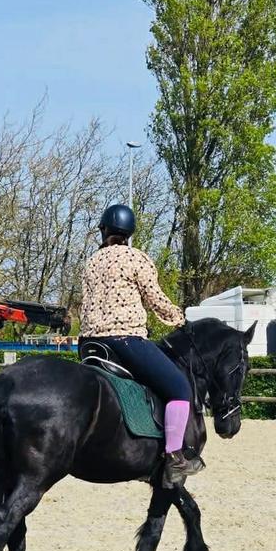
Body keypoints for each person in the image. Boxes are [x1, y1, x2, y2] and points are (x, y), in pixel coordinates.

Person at [80, 203, 203, 486]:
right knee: (180, 388)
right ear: (129, 232)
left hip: (90, 344)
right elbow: (154, 297)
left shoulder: (92, 262)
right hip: (125, 339)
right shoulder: (137, 258)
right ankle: (174, 458)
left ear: (104, 231)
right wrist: (178, 318)